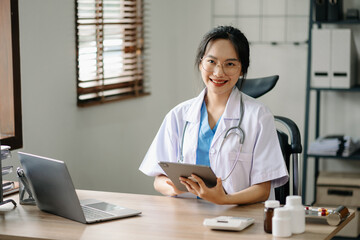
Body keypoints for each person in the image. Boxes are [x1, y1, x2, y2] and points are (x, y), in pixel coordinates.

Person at [139, 26, 288, 205]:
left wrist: (225, 199)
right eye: (211, 61)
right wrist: (175, 187)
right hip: (187, 215)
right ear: (201, 62)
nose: (218, 72)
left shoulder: (258, 116)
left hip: (238, 216)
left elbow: (262, 190)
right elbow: (159, 179)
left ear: (242, 69)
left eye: (230, 64)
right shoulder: (178, 115)